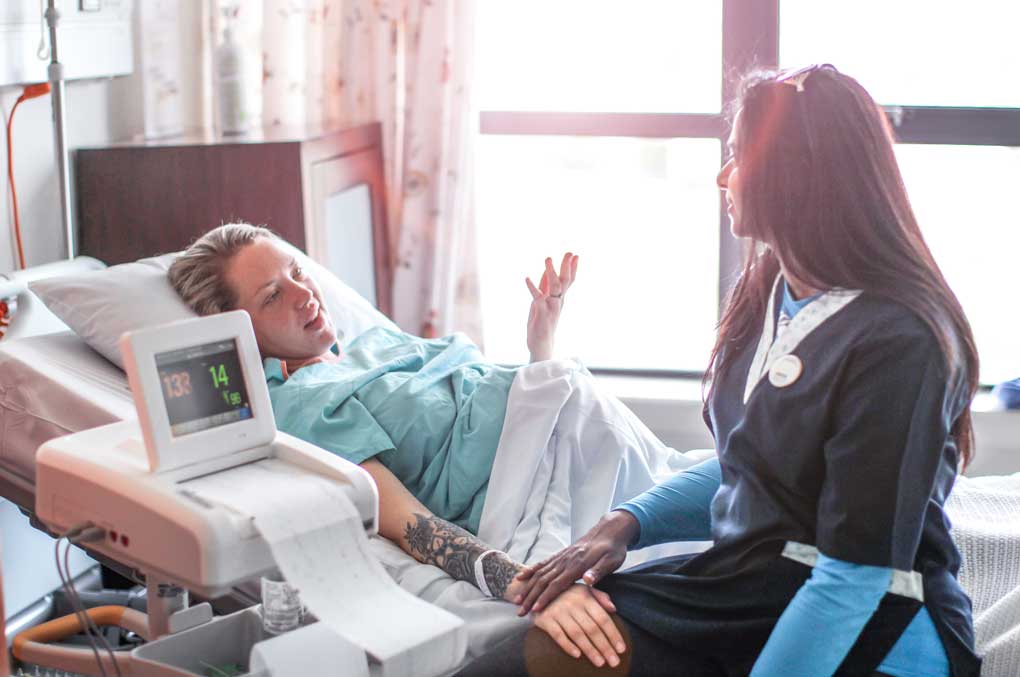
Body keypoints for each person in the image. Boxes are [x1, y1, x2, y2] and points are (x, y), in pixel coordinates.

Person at [462, 65, 982, 676]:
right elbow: (758, 461)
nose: (722, 177)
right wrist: (625, 524)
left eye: (737, 156)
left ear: (794, 174)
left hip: (874, 619)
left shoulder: (901, 342)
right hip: (748, 589)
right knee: (515, 663)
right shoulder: (774, 287)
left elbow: (855, 578)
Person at [168, 223, 638, 668]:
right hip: (533, 488)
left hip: (581, 438)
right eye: (273, 296)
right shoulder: (302, 404)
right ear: (242, 333)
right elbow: (408, 523)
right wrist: (534, 585)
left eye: (296, 272)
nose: (303, 294)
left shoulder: (373, 344)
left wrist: (541, 350)